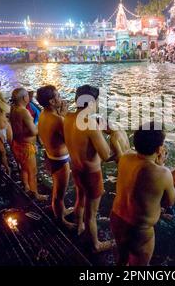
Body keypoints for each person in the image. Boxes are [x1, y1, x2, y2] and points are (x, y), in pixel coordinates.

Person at [111, 122, 175, 266]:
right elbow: (171, 200)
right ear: (159, 148)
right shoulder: (163, 173)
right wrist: (161, 165)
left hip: (116, 219)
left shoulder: (125, 157)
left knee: (121, 259)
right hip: (139, 230)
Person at [63, 84, 113, 252]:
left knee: (80, 199)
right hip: (92, 174)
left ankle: (79, 226)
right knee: (92, 214)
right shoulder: (90, 123)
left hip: (76, 168)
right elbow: (106, 155)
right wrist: (110, 133)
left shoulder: (68, 117)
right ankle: (96, 244)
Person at [36, 85, 74, 229]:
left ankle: (62, 210)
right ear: (51, 102)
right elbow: (69, 140)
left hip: (50, 156)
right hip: (60, 160)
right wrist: (64, 117)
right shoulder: (58, 120)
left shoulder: (43, 114)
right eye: (57, 96)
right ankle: (60, 221)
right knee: (59, 193)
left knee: (57, 189)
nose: (60, 98)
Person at [9, 88, 47, 201]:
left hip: (17, 143)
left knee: (24, 169)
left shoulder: (13, 108)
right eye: (28, 96)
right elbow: (33, 131)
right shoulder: (24, 111)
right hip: (26, 146)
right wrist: (43, 126)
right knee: (32, 172)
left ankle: (26, 187)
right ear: (25, 98)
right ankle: (35, 195)